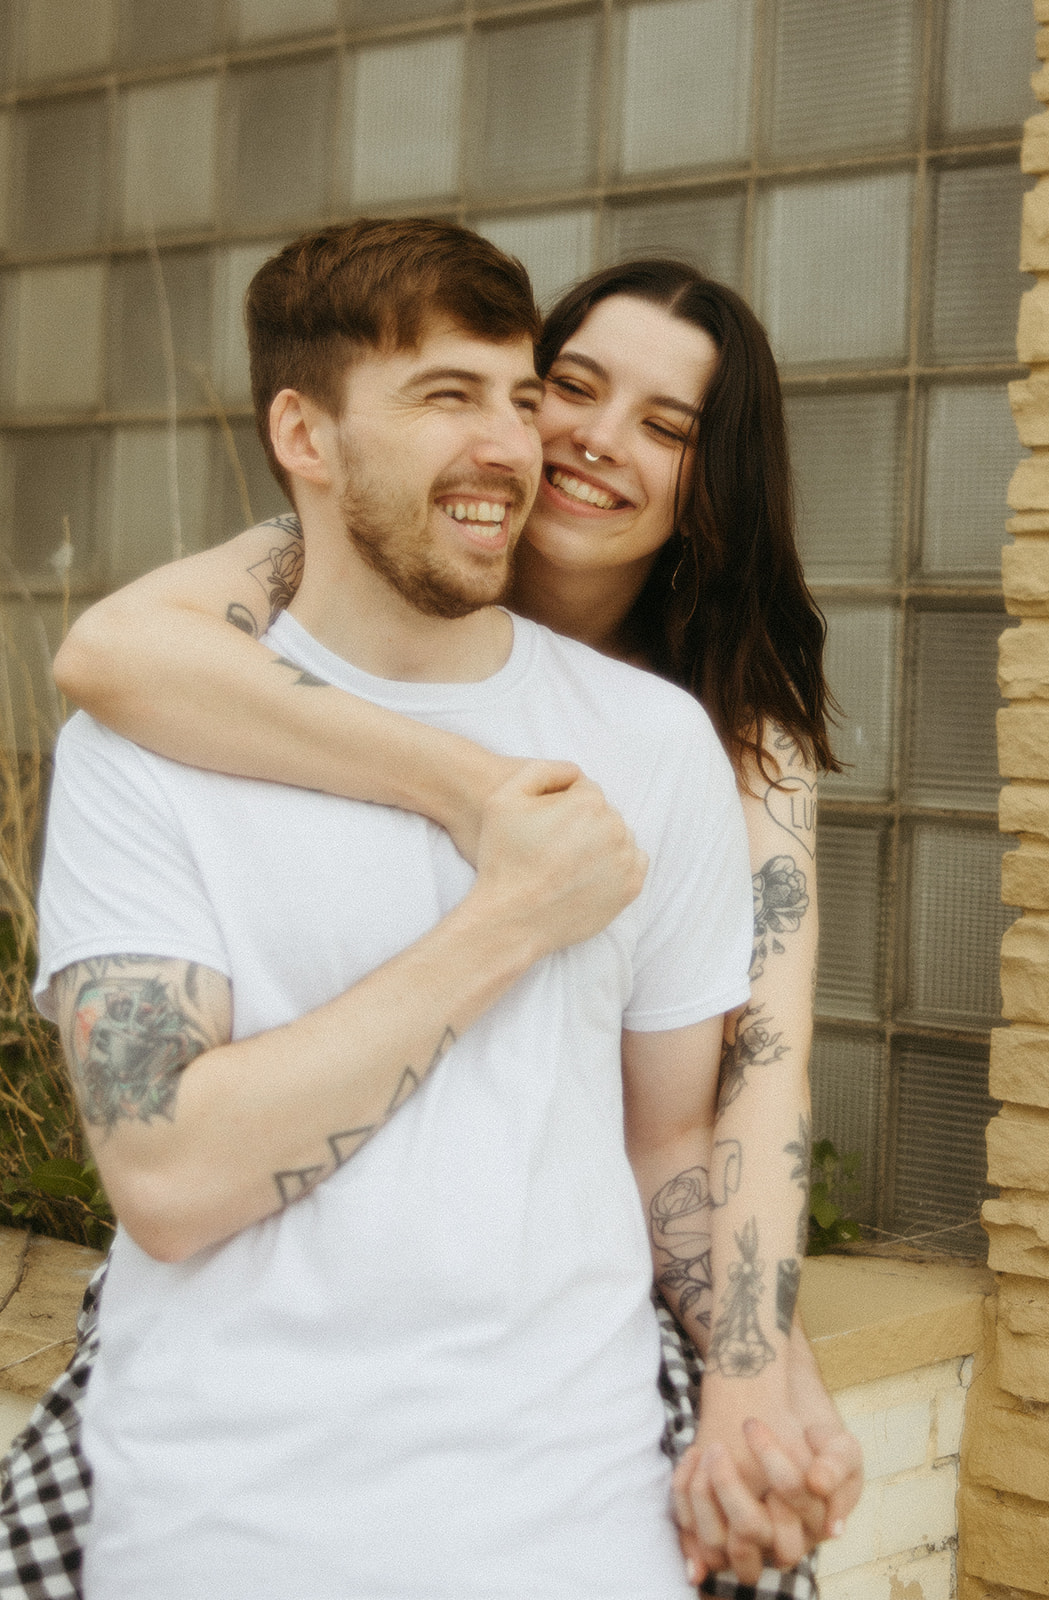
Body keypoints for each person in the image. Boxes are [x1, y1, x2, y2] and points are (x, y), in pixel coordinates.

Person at [3, 248, 861, 1597]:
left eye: (665, 425)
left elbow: (741, 1089)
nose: (570, 439)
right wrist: (482, 810)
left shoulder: (710, 744)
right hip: (237, 1433)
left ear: (710, 487)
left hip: (562, 1399)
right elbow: (105, 658)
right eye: (564, 388)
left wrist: (760, 1363)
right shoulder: (288, 599)